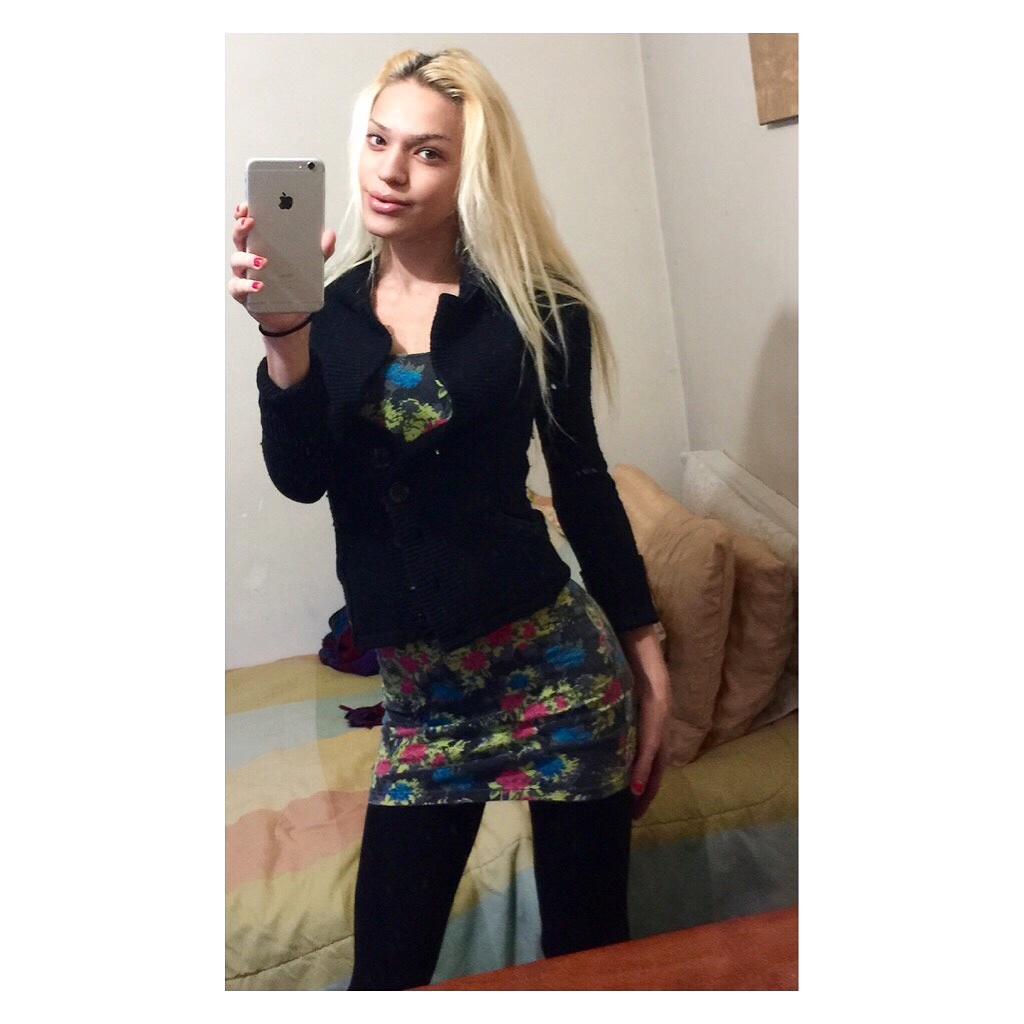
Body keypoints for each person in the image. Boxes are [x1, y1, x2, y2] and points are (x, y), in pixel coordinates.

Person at [229, 47, 670, 991]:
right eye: (378, 141)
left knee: (588, 963)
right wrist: (282, 340)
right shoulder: (327, 312)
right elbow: (300, 479)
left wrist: (647, 652)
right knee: (385, 978)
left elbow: (583, 483)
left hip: (560, 679)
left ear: (472, 169)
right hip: (424, 709)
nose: (391, 170)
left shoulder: (539, 310)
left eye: (427, 152)